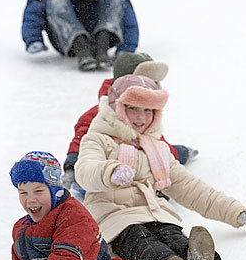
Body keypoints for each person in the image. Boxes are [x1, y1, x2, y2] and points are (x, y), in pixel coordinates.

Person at [74, 74, 246, 260]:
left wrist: (235, 212)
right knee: (143, 243)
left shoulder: (157, 148)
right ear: (117, 108)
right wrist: (110, 172)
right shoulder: (98, 139)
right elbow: (85, 170)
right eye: (133, 109)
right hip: (114, 217)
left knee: (173, 236)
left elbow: (190, 187)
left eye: (148, 111)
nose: (141, 117)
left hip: (156, 212)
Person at [62, 51, 198, 194]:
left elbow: (160, 146)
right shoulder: (100, 115)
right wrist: (72, 167)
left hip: (138, 172)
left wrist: (181, 153)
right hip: (107, 176)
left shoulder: (146, 116)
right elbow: (84, 142)